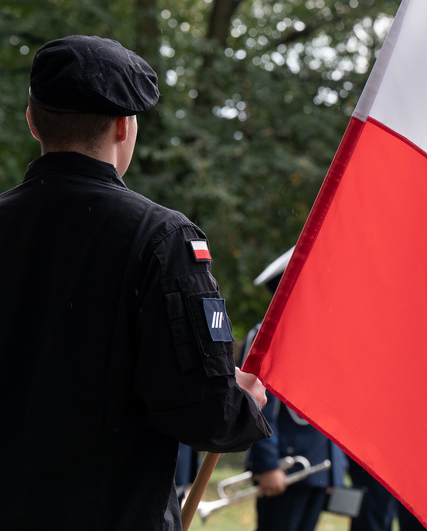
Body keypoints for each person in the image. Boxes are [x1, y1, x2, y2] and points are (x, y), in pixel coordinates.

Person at [0, 35, 271, 530]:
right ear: (125, 127)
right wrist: (242, 405)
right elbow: (204, 413)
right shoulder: (162, 238)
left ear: (33, 120)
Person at [244, 247, 348, 531]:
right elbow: (257, 406)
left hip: (317, 468)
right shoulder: (267, 335)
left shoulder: (323, 336)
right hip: (284, 469)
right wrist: (267, 464)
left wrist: (334, 469)